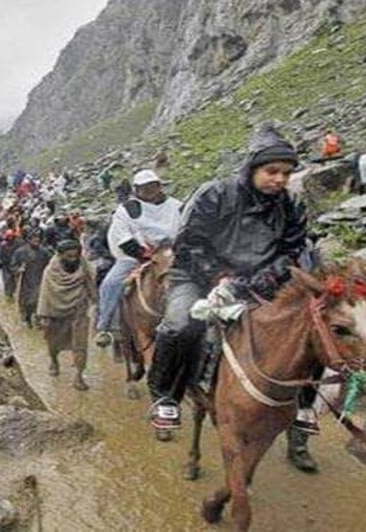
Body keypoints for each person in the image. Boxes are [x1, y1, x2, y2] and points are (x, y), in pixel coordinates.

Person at [146, 124, 321, 472]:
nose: (280, 179)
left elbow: (290, 253)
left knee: (309, 329)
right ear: (253, 168)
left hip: (259, 282)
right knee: (180, 325)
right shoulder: (214, 194)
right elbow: (189, 243)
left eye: (286, 173)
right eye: (272, 171)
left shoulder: (290, 206)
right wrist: (219, 278)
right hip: (197, 276)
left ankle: (303, 408)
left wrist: (250, 283)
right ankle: (166, 396)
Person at [95, 170, 182, 347]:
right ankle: (106, 327)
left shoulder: (177, 206)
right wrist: (143, 253)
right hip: (136, 257)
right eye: (144, 187)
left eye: (152, 186)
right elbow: (123, 238)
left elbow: (185, 230)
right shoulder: (126, 210)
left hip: (172, 254)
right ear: (136, 189)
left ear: (159, 186)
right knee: (110, 283)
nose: (149, 191)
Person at [37, 240, 97, 391]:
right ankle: (54, 361)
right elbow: (45, 294)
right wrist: (43, 316)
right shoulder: (50, 272)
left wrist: (96, 302)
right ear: (60, 255)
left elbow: (91, 286)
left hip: (79, 310)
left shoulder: (84, 266)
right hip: (55, 313)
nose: (73, 259)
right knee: (53, 342)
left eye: (75, 256)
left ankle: (79, 375)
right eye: (69, 256)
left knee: (80, 344)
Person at [12, 232, 52, 327]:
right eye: (34, 241)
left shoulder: (44, 252)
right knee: (26, 301)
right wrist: (19, 269)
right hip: (26, 281)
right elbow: (13, 265)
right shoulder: (20, 252)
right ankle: (27, 318)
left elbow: (50, 265)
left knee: (38, 300)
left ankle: (37, 319)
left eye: (38, 241)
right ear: (29, 241)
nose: (36, 243)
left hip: (39, 279)